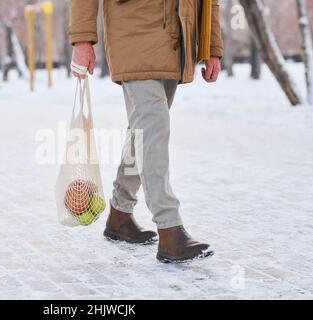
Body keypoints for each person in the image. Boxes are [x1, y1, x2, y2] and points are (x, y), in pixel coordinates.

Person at [68, 0, 223, 262]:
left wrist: (212, 46)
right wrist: (83, 40)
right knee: (153, 128)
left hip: (177, 37)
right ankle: (170, 228)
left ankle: (120, 213)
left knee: (142, 132)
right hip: (134, 32)